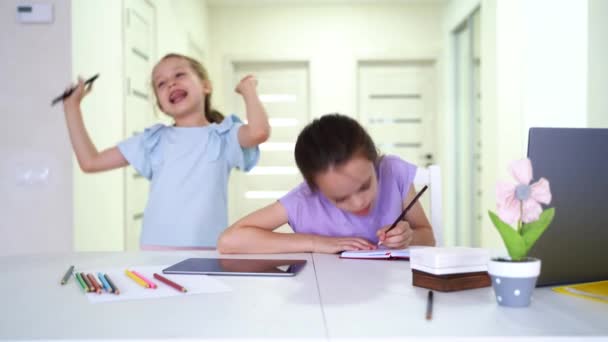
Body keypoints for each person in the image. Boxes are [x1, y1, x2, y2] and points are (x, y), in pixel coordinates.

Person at [62, 53, 270, 249]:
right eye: (161, 83)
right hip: (156, 250)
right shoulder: (153, 140)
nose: (171, 83)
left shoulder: (224, 136)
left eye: (179, 74)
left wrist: (248, 90)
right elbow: (90, 162)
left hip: (207, 250)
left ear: (206, 86)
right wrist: (72, 107)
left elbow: (259, 132)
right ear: (160, 105)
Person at [218, 113, 434, 254]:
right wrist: (315, 242)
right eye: (341, 198)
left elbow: (428, 236)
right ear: (314, 189)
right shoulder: (304, 200)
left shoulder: (392, 171)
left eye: (365, 185)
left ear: (374, 160)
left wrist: (410, 237)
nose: (359, 202)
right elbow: (229, 241)